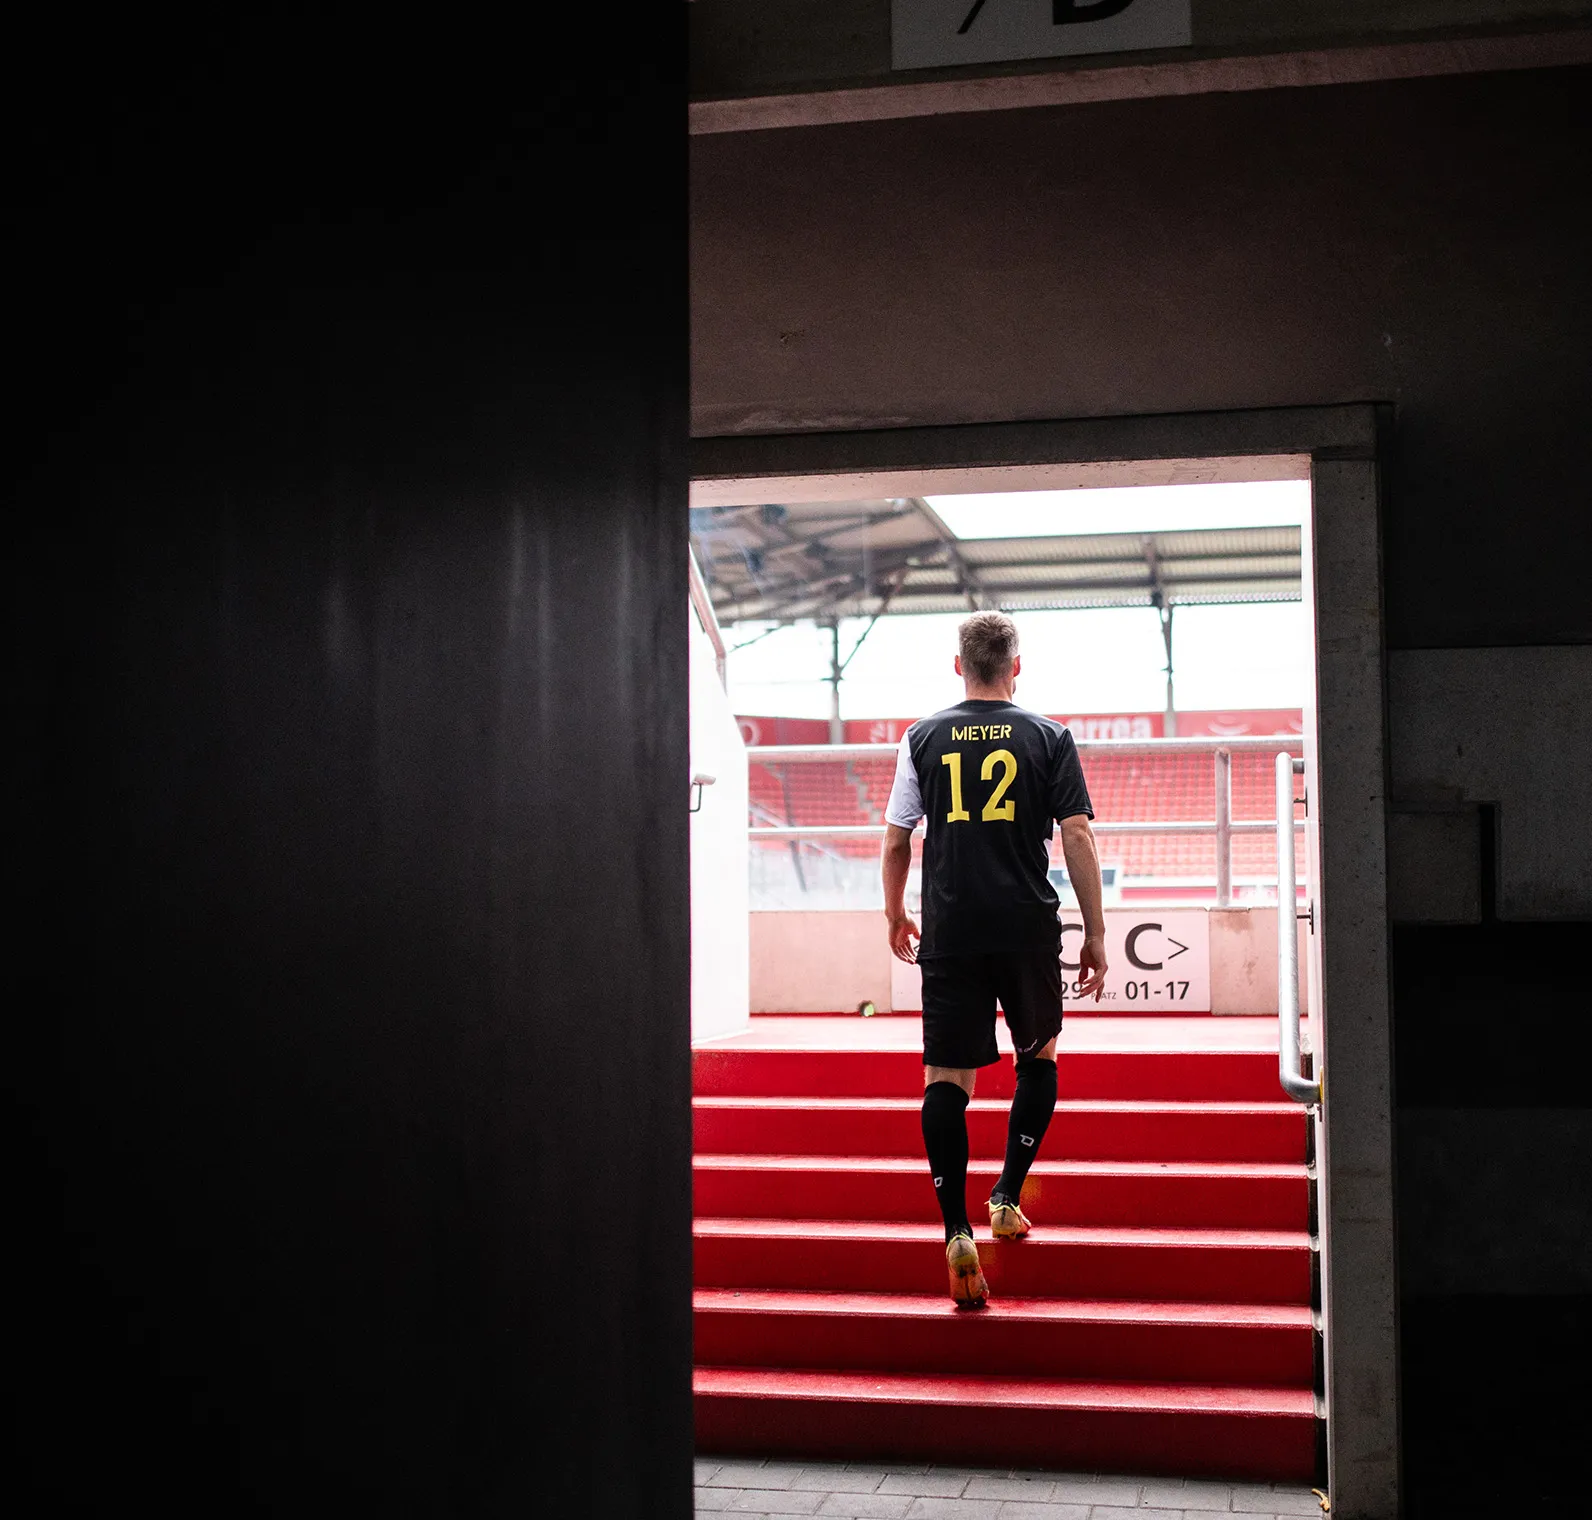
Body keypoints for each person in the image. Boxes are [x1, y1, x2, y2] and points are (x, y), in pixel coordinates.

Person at [880, 612, 1107, 1307]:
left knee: (946, 1078)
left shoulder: (921, 737)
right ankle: (1005, 1197)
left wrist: (895, 913)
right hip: (1025, 926)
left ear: (958, 666)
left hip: (951, 926)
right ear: (1017, 666)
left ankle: (955, 1230)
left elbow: (895, 842)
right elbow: (1077, 837)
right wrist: (1095, 931)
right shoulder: (1049, 736)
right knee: (1039, 1057)